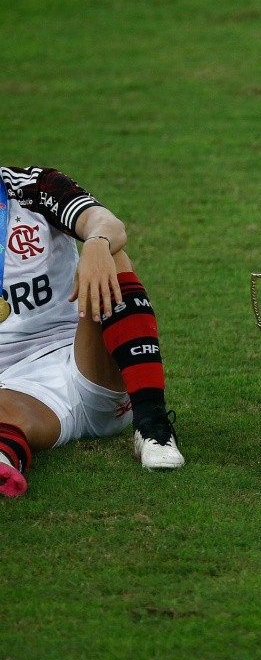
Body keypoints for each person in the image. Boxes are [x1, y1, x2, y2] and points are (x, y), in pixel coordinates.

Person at [0, 166, 185, 498]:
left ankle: (152, 424)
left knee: (112, 254)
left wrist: (97, 243)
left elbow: (106, 223)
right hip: (21, 393)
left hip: (83, 360)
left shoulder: (32, 186)